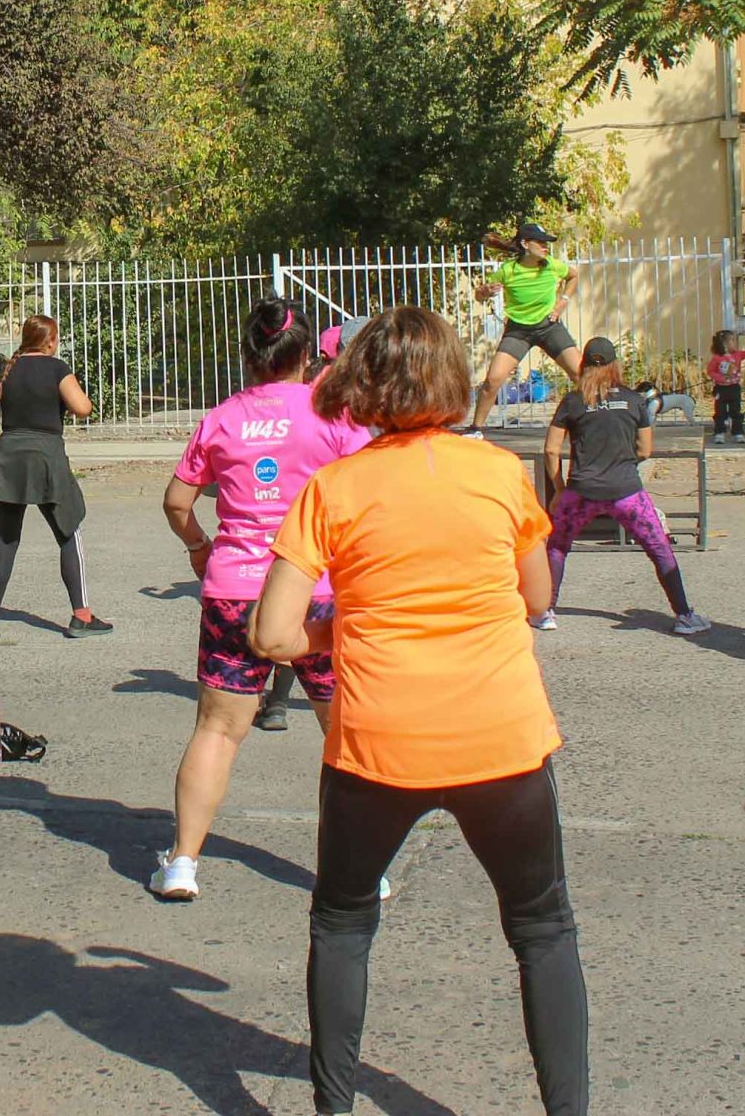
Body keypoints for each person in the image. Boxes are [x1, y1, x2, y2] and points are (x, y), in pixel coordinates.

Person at [247, 305, 586, 1116]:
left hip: (380, 743)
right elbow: (537, 596)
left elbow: (272, 633)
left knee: (343, 922)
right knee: (542, 928)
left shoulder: (334, 488)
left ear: (363, 383)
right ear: (452, 379)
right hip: (501, 738)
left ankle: (334, 1107)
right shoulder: (499, 473)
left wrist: (342, 627)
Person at [150, 299, 369, 902]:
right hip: (317, 592)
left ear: (248, 355)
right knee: (342, 733)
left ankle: (182, 863)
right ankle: (357, 874)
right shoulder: (335, 416)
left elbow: (176, 501)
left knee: (217, 731)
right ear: (307, 356)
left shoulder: (221, 418)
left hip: (234, 590)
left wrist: (200, 548)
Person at [539, 338, 710, 637]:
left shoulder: (572, 401)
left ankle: (545, 611)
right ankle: (684, 615)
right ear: (614, 364)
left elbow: (551, 450)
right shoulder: (634, 400)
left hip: (581, 491)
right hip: (626, 491)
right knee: (658, 547)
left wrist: (559, 489)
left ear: (583, 365)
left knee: (557, 547)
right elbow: (645, 449)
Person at [0, 315, 108, 639]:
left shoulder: (7, 370)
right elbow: (82, 408)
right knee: (68, 532)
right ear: (50, 340)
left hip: (10, 460)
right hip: (47, 460)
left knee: (6, 539)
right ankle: (81, 616)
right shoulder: (57, 369)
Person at [469, 222, 582, 432]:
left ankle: (594, 421)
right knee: (493, 380)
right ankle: (476, 428)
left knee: (581, 375)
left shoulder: (552, 265)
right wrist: (485, 291)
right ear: (525, 244)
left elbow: (573, 276)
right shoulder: (508, 270)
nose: (545, 247)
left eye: (546, 243)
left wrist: (563, 302)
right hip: (518, 332)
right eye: (540, 243)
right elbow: (479, 295)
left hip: (549, 327)